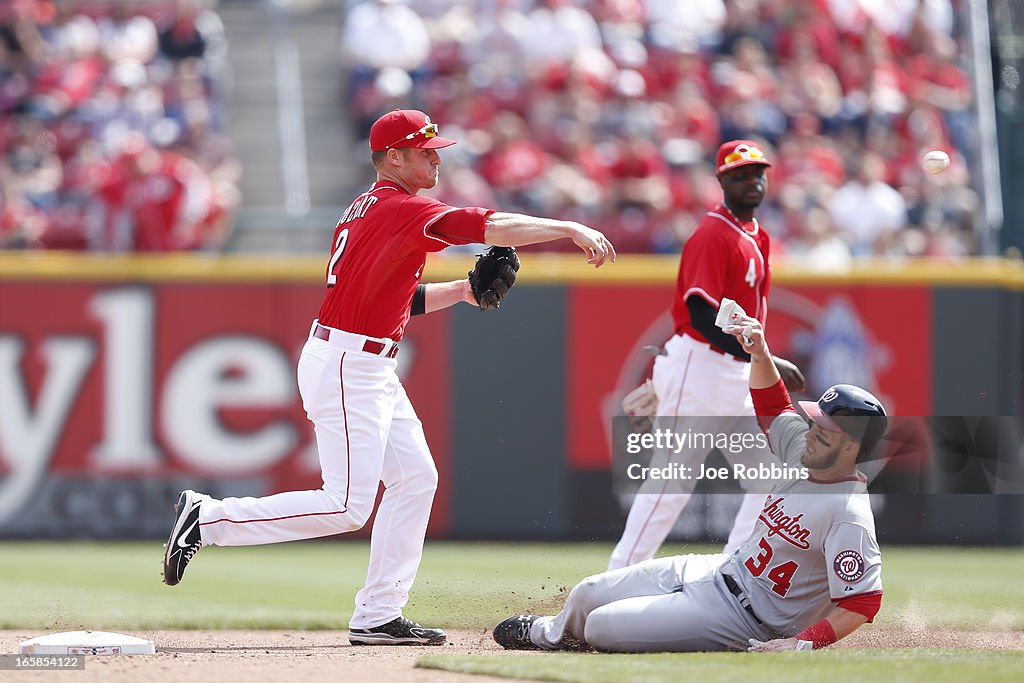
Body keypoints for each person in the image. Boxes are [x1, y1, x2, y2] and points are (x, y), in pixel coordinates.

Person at [162, 109, 616, 646]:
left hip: (366, 361)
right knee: (346, 505)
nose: (436, 156)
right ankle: (209, 519)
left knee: (416, 478)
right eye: (424, 149)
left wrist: (463, 291)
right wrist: (569, 228)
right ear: (393, 157)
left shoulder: (368, 210)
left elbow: (400, 302)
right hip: (349, 365)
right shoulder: (402, 208)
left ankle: (378, 613)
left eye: (435, 147)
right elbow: (488, 225)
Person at [494, 314, 886, 652]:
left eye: (826, 430)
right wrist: (760, 351)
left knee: (600, 625)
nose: (813, 432)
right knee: (586, 593)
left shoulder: (847, 511)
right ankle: (547, 634)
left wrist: (803, 641)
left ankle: (576, 639)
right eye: (816, 422)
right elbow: (772, 405)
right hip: (715, 571)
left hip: (744, 621)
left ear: (851, 446)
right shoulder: (804, 449)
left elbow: (863, 602)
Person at [608, 139, 805, 571]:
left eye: (757, 172)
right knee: (672, 480)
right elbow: (700, 311)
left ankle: (731, 574)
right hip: (699, 364)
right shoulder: (713, 234)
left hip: (733, 372)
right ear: (721, 181)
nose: (751, 181)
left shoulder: (758, 235)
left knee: (773, 476)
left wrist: (757, 357)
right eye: (740, 174)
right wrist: (762, 355)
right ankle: (614, 579)